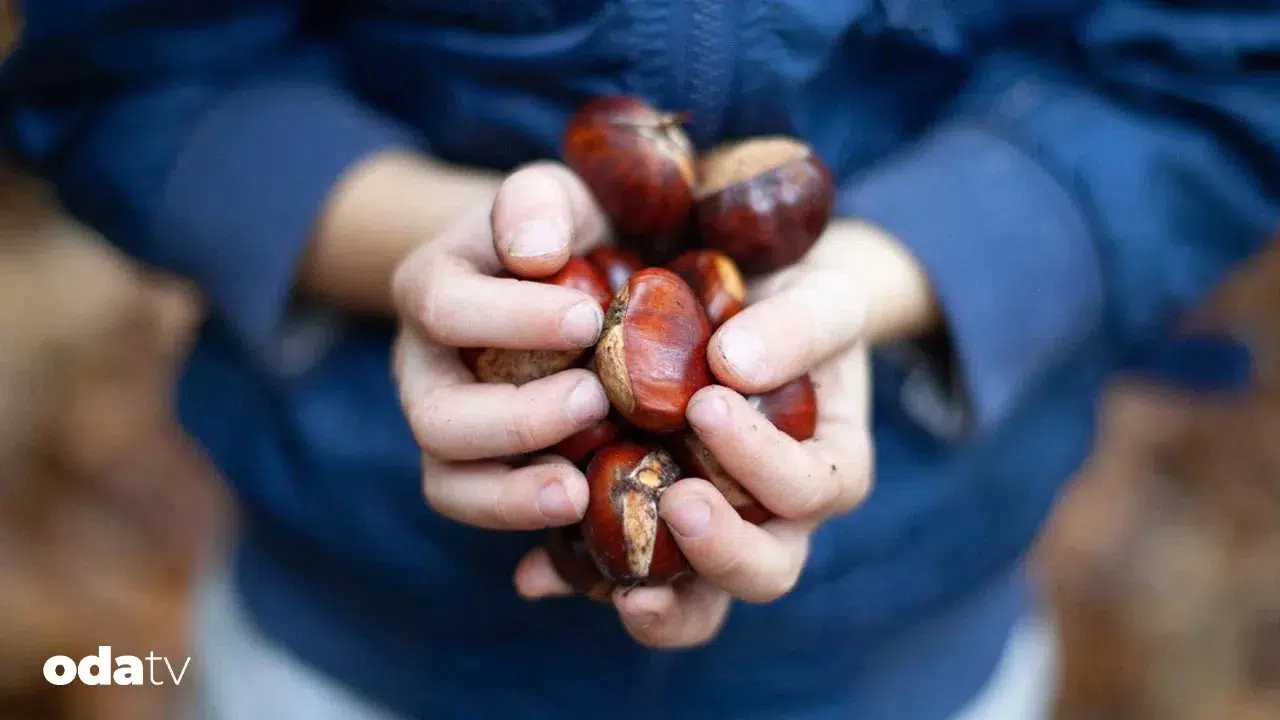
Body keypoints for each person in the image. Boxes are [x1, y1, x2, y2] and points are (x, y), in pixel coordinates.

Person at [2, 1, 1277, 717]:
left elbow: (1208, 81)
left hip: (904, 659)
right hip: (355, 646)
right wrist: (425, 248)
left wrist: (886, 277)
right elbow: (129, 70)